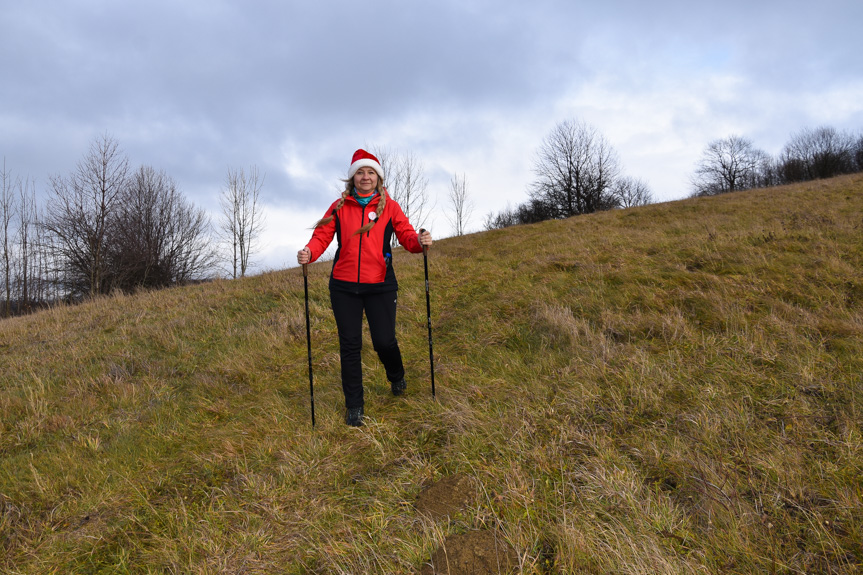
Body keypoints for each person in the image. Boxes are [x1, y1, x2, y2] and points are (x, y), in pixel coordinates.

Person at [297, 149, 433, 427]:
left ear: (378, 178)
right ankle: (355, 406)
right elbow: (321, 236)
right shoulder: (339, 206)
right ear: (352, 178)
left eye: (370, 172)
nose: (365, 177)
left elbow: (407, 235)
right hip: (344, 286)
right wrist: (309, 253)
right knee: (350, 345)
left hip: (380, 285)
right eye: (360, 172)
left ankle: (396, 376)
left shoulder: (390, 207)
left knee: (384, 341)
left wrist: (421, 242)